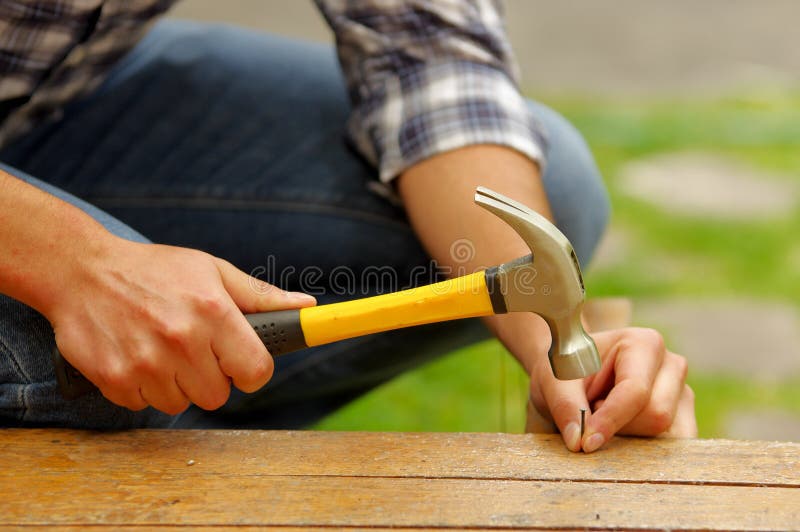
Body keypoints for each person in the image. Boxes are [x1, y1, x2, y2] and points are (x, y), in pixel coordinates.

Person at [0, 1, 696, 451]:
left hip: (47, 103)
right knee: (101, 374)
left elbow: (430, 60)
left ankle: (182, 422)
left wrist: (551, 346)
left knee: (559, 186)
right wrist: (76, 262)